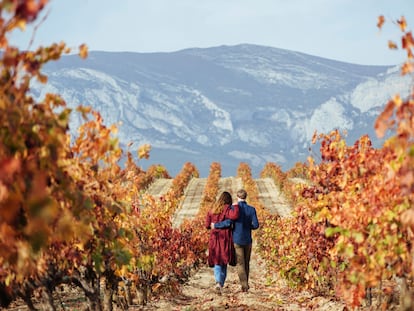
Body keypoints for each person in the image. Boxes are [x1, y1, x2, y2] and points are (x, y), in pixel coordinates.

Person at [214, 189, 259, 292]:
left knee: (240, 263)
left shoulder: (233, 209)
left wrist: (216, 225)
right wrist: (248, 226)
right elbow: (256, 225)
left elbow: (229, 222)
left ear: (237, 197)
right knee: (246, 263)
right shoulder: (251, 209)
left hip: (237, 239)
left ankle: (244, 285)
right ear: (245, 197)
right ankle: (245, 284)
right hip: (248, 239)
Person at [205, 191, 239, 294]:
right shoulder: (228, 209)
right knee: (223, 261)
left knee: (217, 260)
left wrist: (215, 225)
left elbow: (207, 225)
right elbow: (230, 221)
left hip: (214, 238)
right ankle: (219, 283)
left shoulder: (212, 210)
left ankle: (219, 283)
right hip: (224, 238)